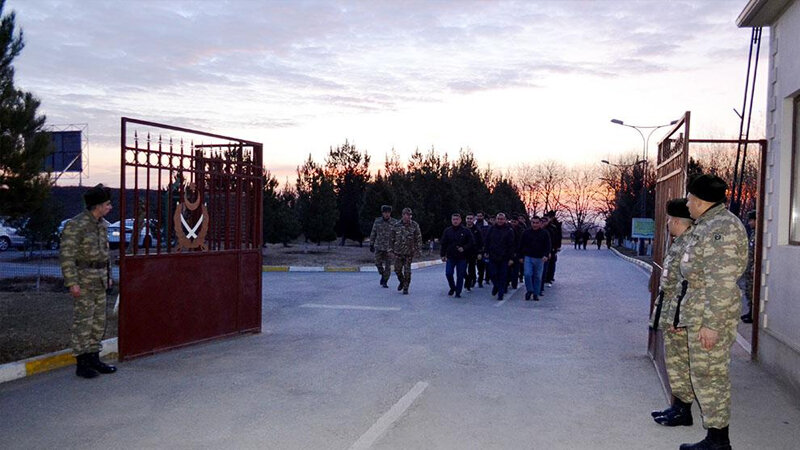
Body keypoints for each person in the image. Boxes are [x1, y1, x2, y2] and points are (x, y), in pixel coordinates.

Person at [673, 175, 748, 450]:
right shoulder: (709, 224)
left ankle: (718, 441)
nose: (688, 204)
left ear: (701, 201)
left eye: (690, 199)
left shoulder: (722, 228)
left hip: (711, 313)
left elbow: (721, 280)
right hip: (701, 308)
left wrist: (712, 324)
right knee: (705, 374)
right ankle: (716, 437)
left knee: (710, 375)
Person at [59, 184, 118, 379]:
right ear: (97, 205)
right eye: (107, 204)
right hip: (83, 280)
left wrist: (108, 276)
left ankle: (94, 357)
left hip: (99, 279)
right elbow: (67, 256)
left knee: (98, 322)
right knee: (83, 321)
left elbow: (104, 254)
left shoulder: (101, 225)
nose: (110, 207)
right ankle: (82, 362)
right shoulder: (76, 225)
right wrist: (72, 282)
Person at [648, 198, 694, 428]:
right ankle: (678, 407)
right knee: (674, 362)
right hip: (670, 312)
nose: (667, 224)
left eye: (668, 220)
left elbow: (689, 286)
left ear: (677, 221)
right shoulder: (679, 243)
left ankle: (683, 411)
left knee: (680, 362)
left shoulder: (690, 245)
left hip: (679, 315)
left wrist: (680, 318)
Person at [440, 213, 475, 298]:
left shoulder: (466, 231)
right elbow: (443, 243)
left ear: (460, 220)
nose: (455, 221)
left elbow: (472, 242)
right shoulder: (447, 231)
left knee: (460, 275)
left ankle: (458, 292)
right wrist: (442, 255)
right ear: (451, 220)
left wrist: (464, 248)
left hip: (462, 257)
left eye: (457, 219)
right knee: (448, 273)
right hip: (450, 256)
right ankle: (453, 287)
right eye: (453, 219)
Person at [518, 216, 552, 301]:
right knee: (527, 274)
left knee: (538, 277)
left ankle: (536, 293)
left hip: (540, 258)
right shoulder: (526, 233)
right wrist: (520, 256)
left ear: (540, 223)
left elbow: (548, 246)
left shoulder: (545, 233)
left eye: (537, 223)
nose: (535, 224)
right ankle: (530, 290)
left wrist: (546, 255)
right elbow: (521, 245)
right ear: (531, 223)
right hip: (528, 257)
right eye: (533, 222)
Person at [483, 212, 516, 300]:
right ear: (496, 220)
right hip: (493, 255)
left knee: (503, 275)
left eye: (502, 219)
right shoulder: (491, 229)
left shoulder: (509, 230)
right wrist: (485, 251)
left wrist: (511, 258)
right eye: (498, 219)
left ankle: (500, 293)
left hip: (504, 256)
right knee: (493, 273)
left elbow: (512, 245)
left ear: (505, 220)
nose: (500, 221)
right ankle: (496, 286)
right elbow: (487, 241)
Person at [390, 207, 422, 295]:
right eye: (406, 214)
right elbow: (391, 238)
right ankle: (402, 281)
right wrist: (390, 250)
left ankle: (406, 287)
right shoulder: (396, 225)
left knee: (407, 271)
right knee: (397, 270)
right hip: (398, 252)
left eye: (409, 215)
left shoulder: (415, 225)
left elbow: (418, 238)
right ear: (402, 215)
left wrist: (418, 250)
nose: (407, 216)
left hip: (409, 252)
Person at [369, 205, 397, 288]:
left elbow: (397, 235)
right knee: (377, 263)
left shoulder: (394, 222)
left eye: (388, 213)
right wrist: (371, 244)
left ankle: (385, 281)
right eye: (385, 213)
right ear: (382, 213)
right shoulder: (377, 221)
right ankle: (382, 274)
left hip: (389, 248)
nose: (387, 214)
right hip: (379, 246)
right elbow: (373, 233)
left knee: (388, 266)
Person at [740, 210, 756, 324]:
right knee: (748, 291)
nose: (749, 223)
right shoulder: (753, 233)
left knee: (752, 291)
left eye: (751, 220)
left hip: (753, 269)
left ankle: (753, 314)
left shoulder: (758, 235)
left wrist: (754, 267)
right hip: (749, 267)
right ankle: (750, 312)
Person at [464, 213, 483, 291]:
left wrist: (479, 252)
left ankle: (472, 280)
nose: (469, 220)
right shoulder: (462, 229)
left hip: (473, 252)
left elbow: (480, 242)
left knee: (471, 268)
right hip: (463, 252)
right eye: (467, 218)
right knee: (462, 269)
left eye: (471, 218)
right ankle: (467, 279)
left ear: (474, 220)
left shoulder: (477, 230)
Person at [475, 212, 490, 288]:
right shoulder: (474, 225)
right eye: (478, 216)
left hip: (482, 248)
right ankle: (472, 279)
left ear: (483, 217)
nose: (479, 217)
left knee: (481, 265)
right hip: (473, 248)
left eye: (480, 216)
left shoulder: (487, 226)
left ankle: (480, 280)